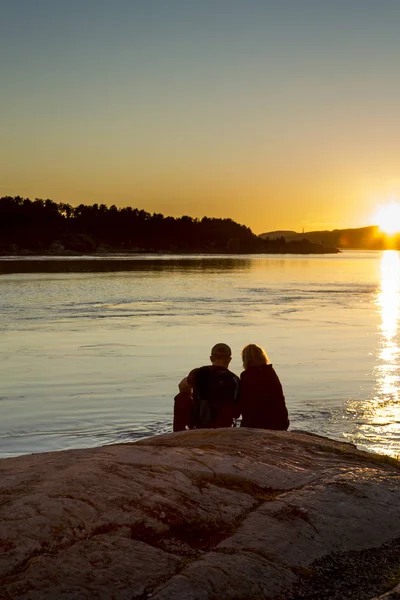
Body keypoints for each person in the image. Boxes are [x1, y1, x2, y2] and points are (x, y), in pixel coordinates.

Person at [173, 343, 240, 431]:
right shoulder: (234, 379)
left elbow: (181, 385)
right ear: (229, 360)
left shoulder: (198, 373)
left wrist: (191, 393)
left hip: (200, 422)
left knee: (181, 397)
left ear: (211, 359)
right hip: (223, 424)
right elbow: (236, 413)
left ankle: (178, 432)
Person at [238, 344, 289, 430]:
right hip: (279, 422)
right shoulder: (270, 372)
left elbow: (245, 403)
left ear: (245, 359)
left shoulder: (246, 376)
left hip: (255, 423)